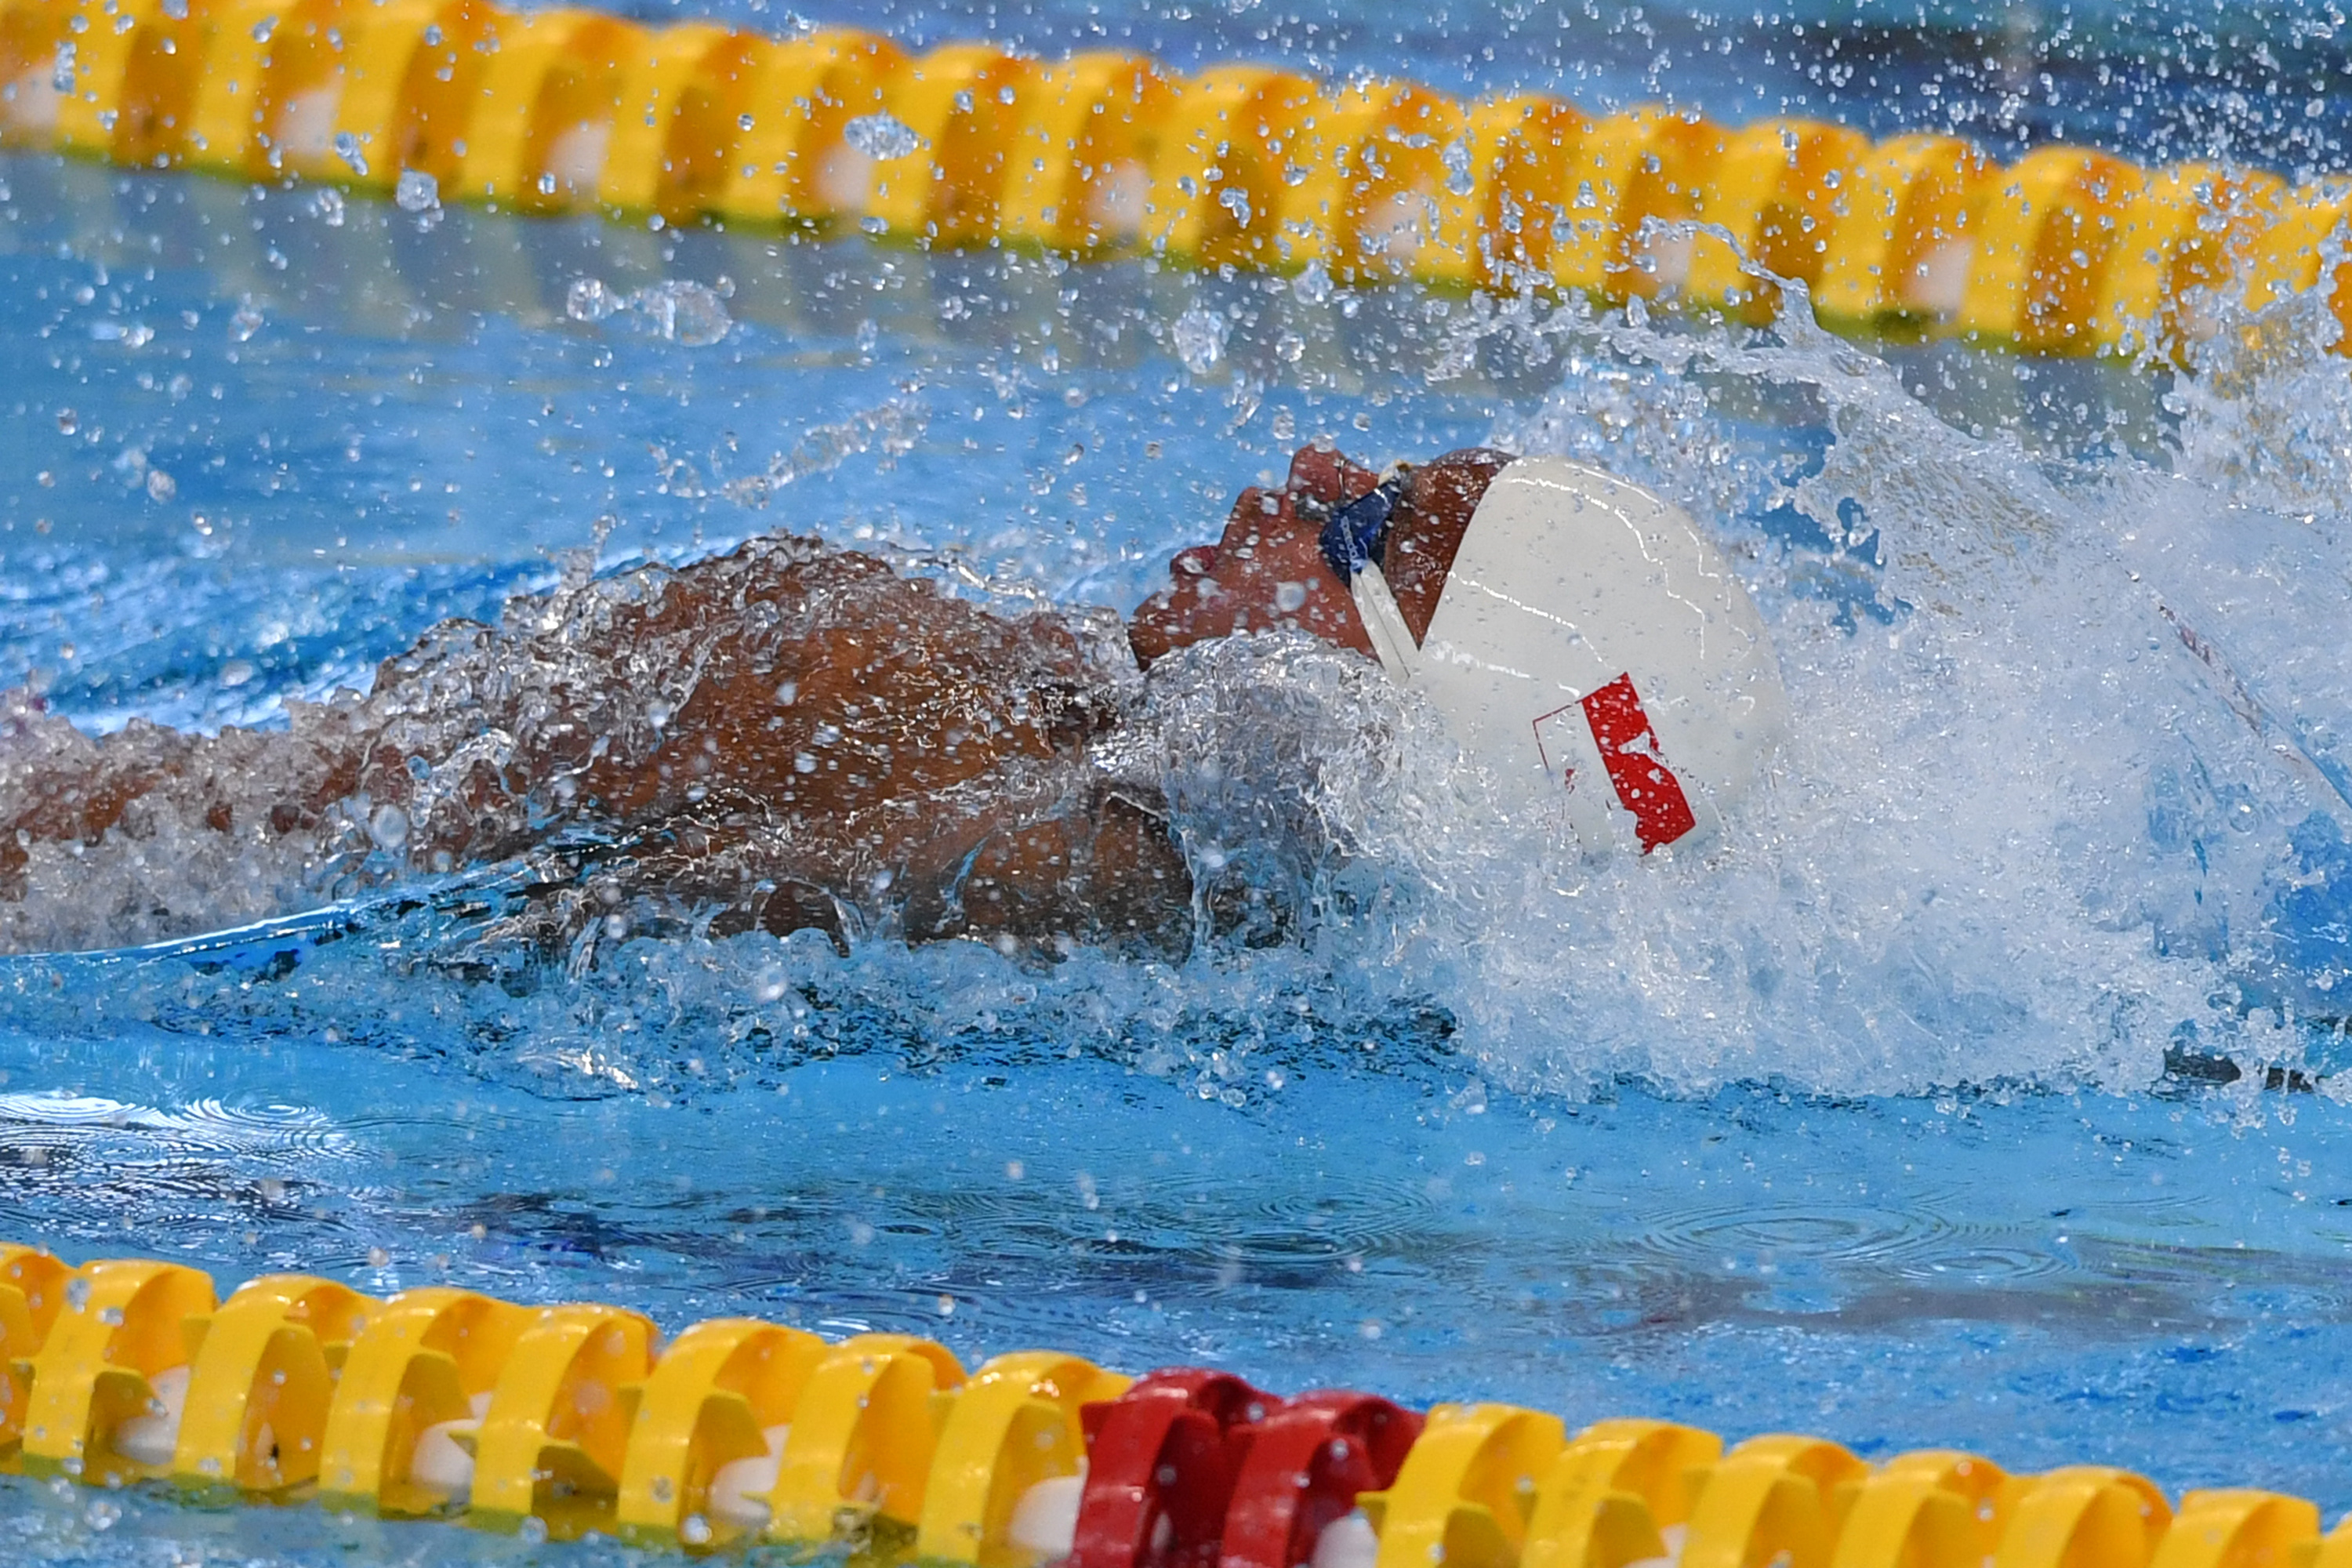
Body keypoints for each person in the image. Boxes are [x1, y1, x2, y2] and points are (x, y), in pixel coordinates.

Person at [0, 443, 1762, 959]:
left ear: (1376, 686)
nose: (1300, 466)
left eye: (1356, 521)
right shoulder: (897, 688)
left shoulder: (907, 701)